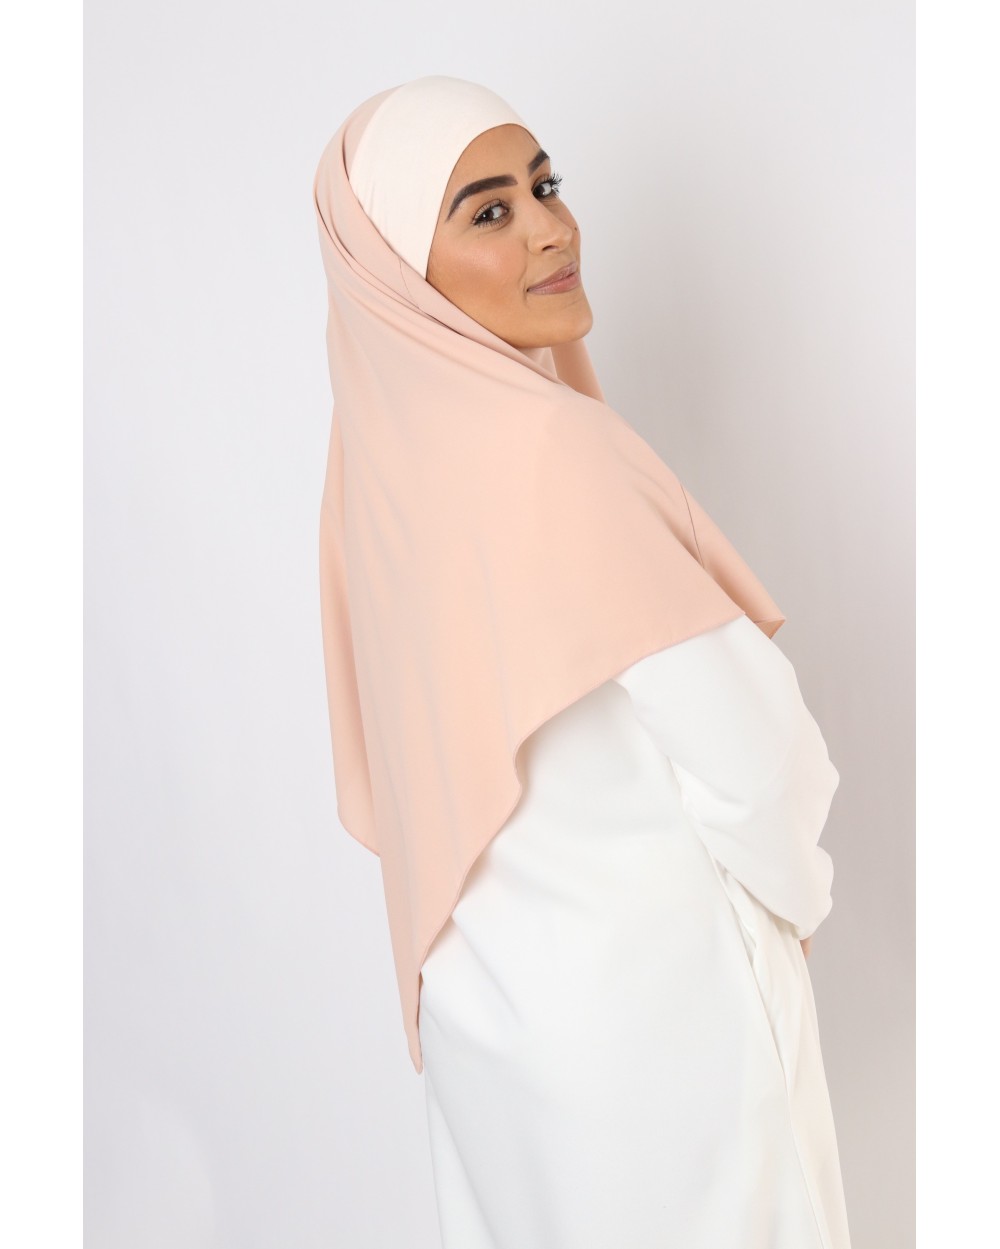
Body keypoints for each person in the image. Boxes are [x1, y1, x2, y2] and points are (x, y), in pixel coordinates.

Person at [313, 75, 853, 1249]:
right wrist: (793, 902)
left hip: (494, 1038)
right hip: (666, 1036)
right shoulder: (552, 448)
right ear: (401, 265)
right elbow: (757, 756)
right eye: (488, 211)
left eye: (545, 186)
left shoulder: (371, 478)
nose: (551, 229)